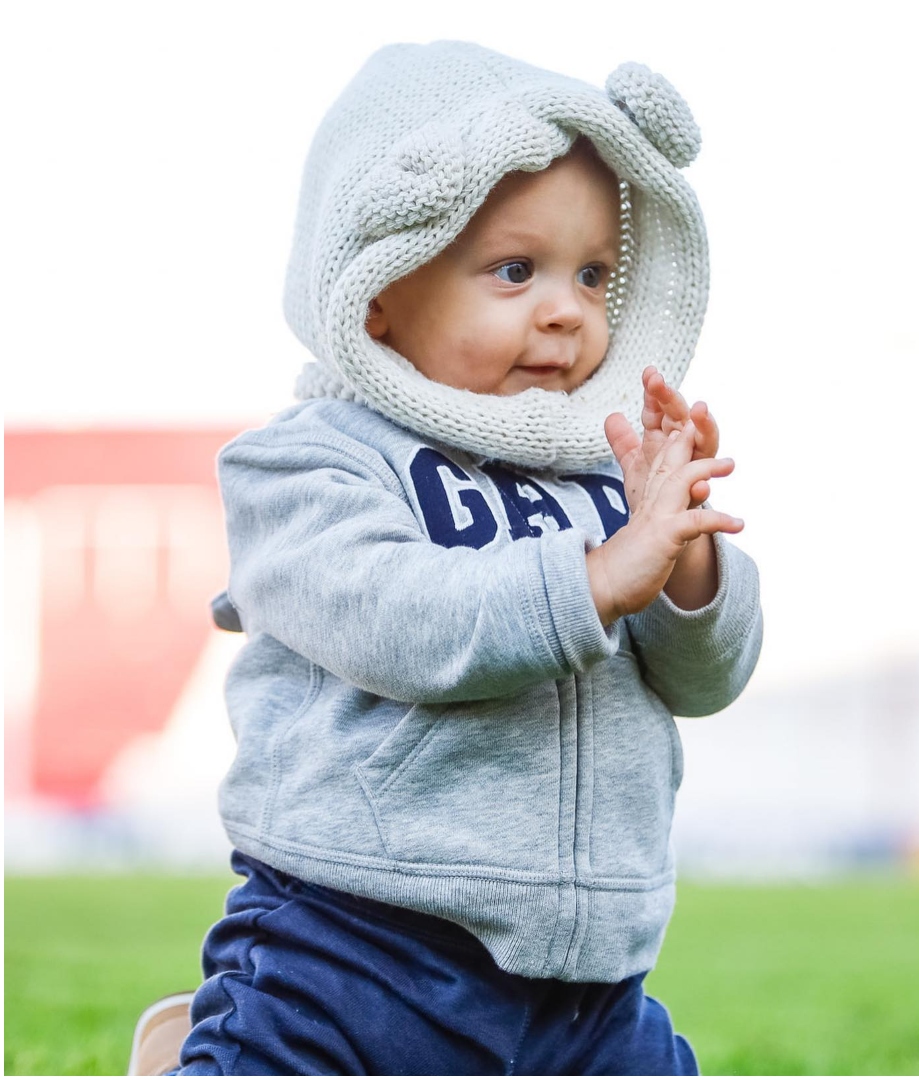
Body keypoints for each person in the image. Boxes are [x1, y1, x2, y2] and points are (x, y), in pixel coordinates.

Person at [128, 41, 762, 1075]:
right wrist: (598, 578)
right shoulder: (305, 465)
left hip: (590, 981)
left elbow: (706, 680)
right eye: (517, 270)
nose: (567, 308)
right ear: (376, 293)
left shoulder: (602, 472)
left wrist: (682, 556)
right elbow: (401, 619)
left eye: (594, 274)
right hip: (354, 942)